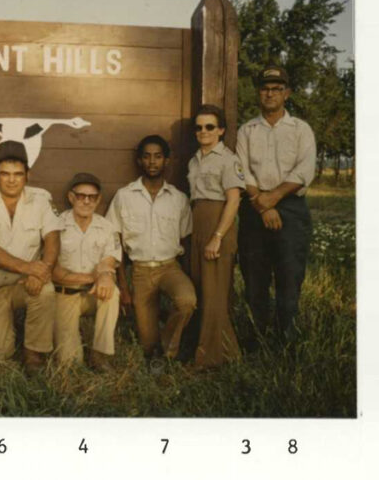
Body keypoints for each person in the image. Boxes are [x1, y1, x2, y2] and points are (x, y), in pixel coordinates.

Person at [236, 66, 317, 346]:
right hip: (254, 206)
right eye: (265, 88)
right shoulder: (246, 131)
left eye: (276, 88)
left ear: (287, 93)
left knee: (289, 273)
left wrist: (274, 198)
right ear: (258, 92)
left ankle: (286, 340)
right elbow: (241, 170)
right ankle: (257, 338)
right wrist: (263, 205)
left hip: (291, 209)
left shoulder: (300, 130)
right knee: (254, 274)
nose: (270, 93)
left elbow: (305, 169)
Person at [0, 141, 61, 374]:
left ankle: (34, 354)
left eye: (18, 174)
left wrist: (43, 270)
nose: (11, 180)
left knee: (45, 290)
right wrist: (30, 267)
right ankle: (1, 326)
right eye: (5, 174)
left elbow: (52, 238)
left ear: (27, 175)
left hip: (26, 284)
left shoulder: (41, 199)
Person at [107, 135, 197, 360]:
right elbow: (114, 241)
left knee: (187, 301)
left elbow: (186, 240)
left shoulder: (178, 198)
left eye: (158, 156)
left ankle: (167, 349)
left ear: (166, 161)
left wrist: (189, 278)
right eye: (146, 156)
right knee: (148, 345)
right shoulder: (124, 196)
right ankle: (155, 348)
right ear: (139, 161)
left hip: (170, 268)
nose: (152, 162)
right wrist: (123, 286)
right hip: (140, 272)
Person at [183, 105, 244, 369]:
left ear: (220, 130)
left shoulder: (228, 159)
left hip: (218, 224)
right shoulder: (194, 159)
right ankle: (224, 352)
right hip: (197, 223)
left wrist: (218, 236)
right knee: (201, 290)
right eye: (198, 127)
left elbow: (233, 201)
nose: (203, 131)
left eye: (209, 126)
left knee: (215, 293)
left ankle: (210, 358)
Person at [51, 173, 121, 372]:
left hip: (93, 294)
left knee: (112, 293)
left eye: (92, 197)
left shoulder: (107, 227)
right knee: (69, 365)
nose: (87, 201)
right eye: (81, 196)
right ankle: (72, 345)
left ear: (98, 199)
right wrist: (96, 277)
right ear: (71, 197)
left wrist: (106, 275)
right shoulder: (56, 226)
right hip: (64, 295)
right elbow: (55, 272)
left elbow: (109, 261)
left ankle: (99, 354)